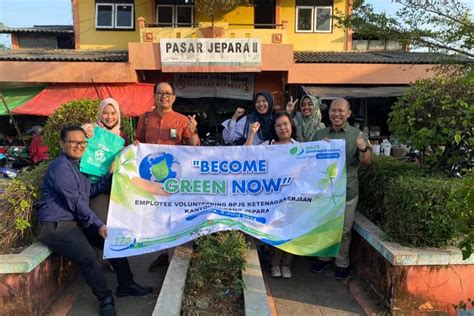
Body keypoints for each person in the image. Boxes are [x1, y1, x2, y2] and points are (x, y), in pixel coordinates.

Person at [36, 126, 152, 316]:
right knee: (88, 256)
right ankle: (105, 299)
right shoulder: (60, 168)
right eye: (73, 142)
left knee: (112, 242)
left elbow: (90, 191)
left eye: (82, 142)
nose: (79, 146)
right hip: (56, 225)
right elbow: (76, 204)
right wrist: (99, 225)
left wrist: (111, 173)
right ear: (61, 144)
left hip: (75, 222)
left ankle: (126, 284)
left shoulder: (78, 166)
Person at [134, 82, 200, 271]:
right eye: (161, 93)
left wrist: (193, 130)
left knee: (172, 218)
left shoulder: (181, 121)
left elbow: (194, 147)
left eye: (168, 93)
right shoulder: (145, 118)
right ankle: (161, 253)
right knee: (155, 218)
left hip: (174, 179)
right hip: (151, 178)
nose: (165, 96)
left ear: (174, 98)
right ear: (154, 96)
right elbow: (139, 142)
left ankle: (172, 257)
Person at [311, 98, 372, 280]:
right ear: (327, 113)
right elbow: (309, 162)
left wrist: (362, 149)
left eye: (340, 111)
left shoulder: (357, 135)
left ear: (348, 113)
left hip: (347, 191)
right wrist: (320, 149)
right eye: (333, 110)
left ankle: (341, 262)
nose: (336, 114)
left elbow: (367, 161)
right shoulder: (319, 134)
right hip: (325, 192)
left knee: (345, 230)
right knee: (324, 226)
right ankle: (323, 258)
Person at [245, 112, 297, 279]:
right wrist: (252, 133)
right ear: (274, 128)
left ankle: (286, 265)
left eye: (285, 124)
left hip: (293, 197)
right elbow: (246, 154)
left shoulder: (300, 147)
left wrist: (326, 146)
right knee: (276, 231)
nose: (282, 128)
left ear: (291, 126)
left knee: (290, 231)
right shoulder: (268, 145)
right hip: (273, 197)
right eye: (278, 125)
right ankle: (275, 265)